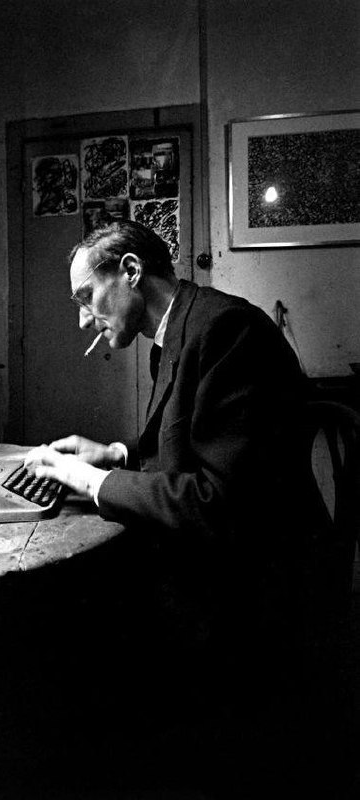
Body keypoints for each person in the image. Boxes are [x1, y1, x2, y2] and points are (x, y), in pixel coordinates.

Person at [24, 220, 329, 796]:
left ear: (131, 271)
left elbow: (218, 501)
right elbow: (187, 445)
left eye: (86, 297)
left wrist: (90, 480)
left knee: (75, 625)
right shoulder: (181, 330)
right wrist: (116, 453)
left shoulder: (227, 330)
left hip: (257, 585)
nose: (83, 320)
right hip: (234, 563)